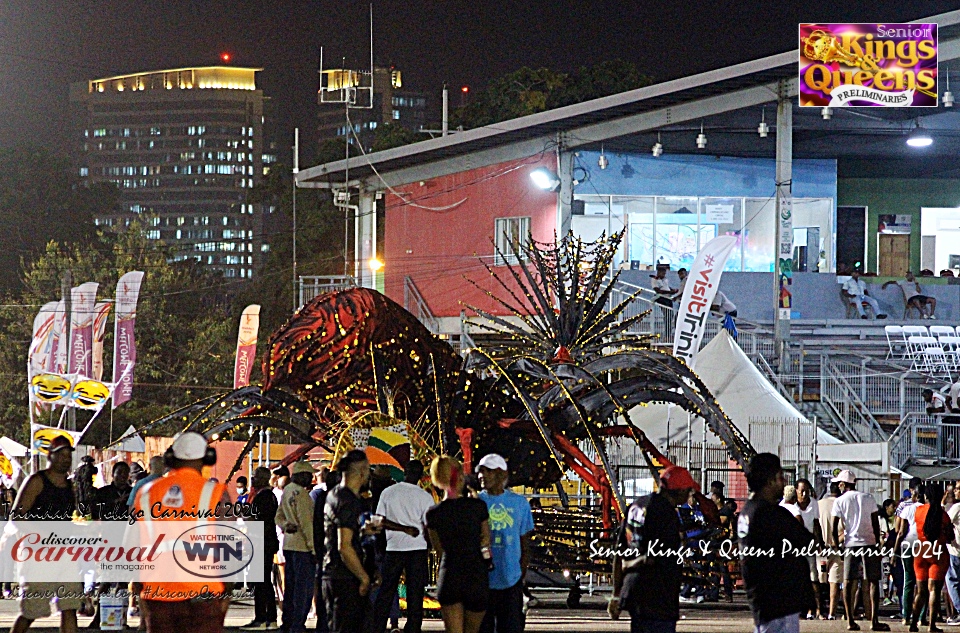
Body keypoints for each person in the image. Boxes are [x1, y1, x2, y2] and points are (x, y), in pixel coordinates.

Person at [132, 432, 232, 633]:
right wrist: (227, 590)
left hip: (158, 593)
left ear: (170, 458)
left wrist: (138, 590)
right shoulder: (216, 493)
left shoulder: (146, 492)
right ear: (208, 458)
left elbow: (135, 544)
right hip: (202, 594)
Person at [608, 466, 699, 633]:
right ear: (678, 490)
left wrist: (616, 593)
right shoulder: (665, 512)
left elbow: (619, 551)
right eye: (688, 490)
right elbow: (660, 556)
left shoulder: (637, 505)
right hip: (658, 593)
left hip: (633, 591)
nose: (689, 494)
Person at [10, 435, 81, 633]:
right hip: (38, 556)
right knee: (32, 611)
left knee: (70, 606)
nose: (66, 459)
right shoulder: (37, 481)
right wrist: (41, 536)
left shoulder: (69, 486)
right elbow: (16, 517)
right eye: (61, 455)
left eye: (68, 455)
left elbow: (65, 522)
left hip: (64, 554)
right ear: (50, 456)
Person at [738, 453, 813, 633]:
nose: (784, 482)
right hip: (779, 601)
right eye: (780, 477)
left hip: (762, 600)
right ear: (770, 481)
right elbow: (805, 540)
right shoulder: (769, 513)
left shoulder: (747, 511)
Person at [426, 455, 490, 633]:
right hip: (475, 573)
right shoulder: (477, 507)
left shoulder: (434, 513)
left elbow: (438, 549)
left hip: (450, 573)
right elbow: (486, 539)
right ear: (460, 476)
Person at [372, 460, 435, 633]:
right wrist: (411, 531)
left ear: (404, 471)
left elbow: (378, 521)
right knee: (415, 592)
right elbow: (430, 525)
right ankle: (413, 628)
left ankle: (377, 627)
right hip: (417, 548)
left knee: (386, 590)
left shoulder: (388, 492)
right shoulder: (425, 496)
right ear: (421, 475)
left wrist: (399, 529)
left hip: (394, 548)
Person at [476, 454, 534, 633]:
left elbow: (525, 543)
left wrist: (520, 575)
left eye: (488, 472)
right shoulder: (476, 502)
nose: (482, 476)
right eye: (481, 472)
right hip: (482, 581)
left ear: (501, 475)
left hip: (511, 580)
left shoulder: (519, 504)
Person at [323, 450, 377, 633]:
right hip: (345, 576)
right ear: (362, 471)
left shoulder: (334, 494)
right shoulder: (348, 501)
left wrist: (362, 531)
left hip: (334, 573)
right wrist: (363, 577)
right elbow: (344, 546)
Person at [832, 470, 890, 632]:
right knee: (872, 581)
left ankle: (850, 620)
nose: (838, 486)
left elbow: (833, 529)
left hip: (851, 543)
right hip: (869, 542)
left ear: (843, 484)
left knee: (849, 582)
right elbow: (875, 524)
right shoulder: (868, 498)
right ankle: (874, 620)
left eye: (839, 483)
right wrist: (878, 543)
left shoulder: (840, 501)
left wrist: (838, 548)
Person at [275, 461, 316, 633]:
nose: (310, 478)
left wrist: (285, 525)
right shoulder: (303, 495)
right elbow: (306, 523)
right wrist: (313, 548)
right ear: (300, 474)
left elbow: (278, 516)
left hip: (289, 544)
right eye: (308, 474)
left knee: (290, 587)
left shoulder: (287, 490)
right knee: (303, 589)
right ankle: (298, 624)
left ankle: (287, 622)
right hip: (303, 548)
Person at [909, 482, 954, 632]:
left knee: (920, 591)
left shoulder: (919, 511)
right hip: (938, 552)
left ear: (926, 496)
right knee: (934, 590)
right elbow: (949, 537)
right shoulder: (943, 515)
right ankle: (931, 625)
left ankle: (913, 623)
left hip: (921, 551)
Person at [240, 467, 279, 631]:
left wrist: (246, 517)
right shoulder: (270, 497)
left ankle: (261, 618)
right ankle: (271, 617)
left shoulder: (262, 497)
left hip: (259, 541)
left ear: (263, 479)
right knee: (265, 581)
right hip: (267, 541)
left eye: (255, 477)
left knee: (260, 581)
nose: (253, 480)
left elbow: (255, 520)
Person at [895, 478, 926, 627]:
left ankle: (906, 616)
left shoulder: (907, 509)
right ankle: (921, 617)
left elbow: (900, 532)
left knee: (908, 581)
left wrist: (895, 551)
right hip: (923, 545)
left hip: (908, 544)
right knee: (923, 582)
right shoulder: (928, 509)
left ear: (914, 494)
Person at [794, 479, 824, 620]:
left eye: (806, 490)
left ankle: (817, 609)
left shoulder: (813, 503)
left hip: (809, 545)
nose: (804, 494)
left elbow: (816, 524)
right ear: (796, 491)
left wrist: (820, 543)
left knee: (813, 577)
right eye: (801, 491)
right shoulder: (791, 505)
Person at [818, 482, 843, 620]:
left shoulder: (818, 504)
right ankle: (832, 613)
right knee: (835, 581)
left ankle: (819, 611)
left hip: (820, 549)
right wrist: (836, 543)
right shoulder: (841, 505)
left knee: (820, 581)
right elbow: (845, 530)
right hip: (837, 548)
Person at [945, 482, 960, 627]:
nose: (956, 491)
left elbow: (945, 521)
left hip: (956, 549)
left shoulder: (956, 507)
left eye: (958, 489)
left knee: (952, 581)